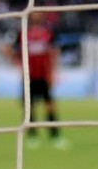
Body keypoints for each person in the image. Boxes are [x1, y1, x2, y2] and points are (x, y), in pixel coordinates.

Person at [6, 13, 66, 149]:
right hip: (29, 76)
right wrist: (17, 62)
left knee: (50, 105)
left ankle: (55, 136)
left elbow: (54, 51)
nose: (36, 16)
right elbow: (7, 48)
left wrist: (53, 72)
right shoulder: (22, 32)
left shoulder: (49, 32)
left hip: (44, 76)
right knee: (29, 107)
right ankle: (32, 136)